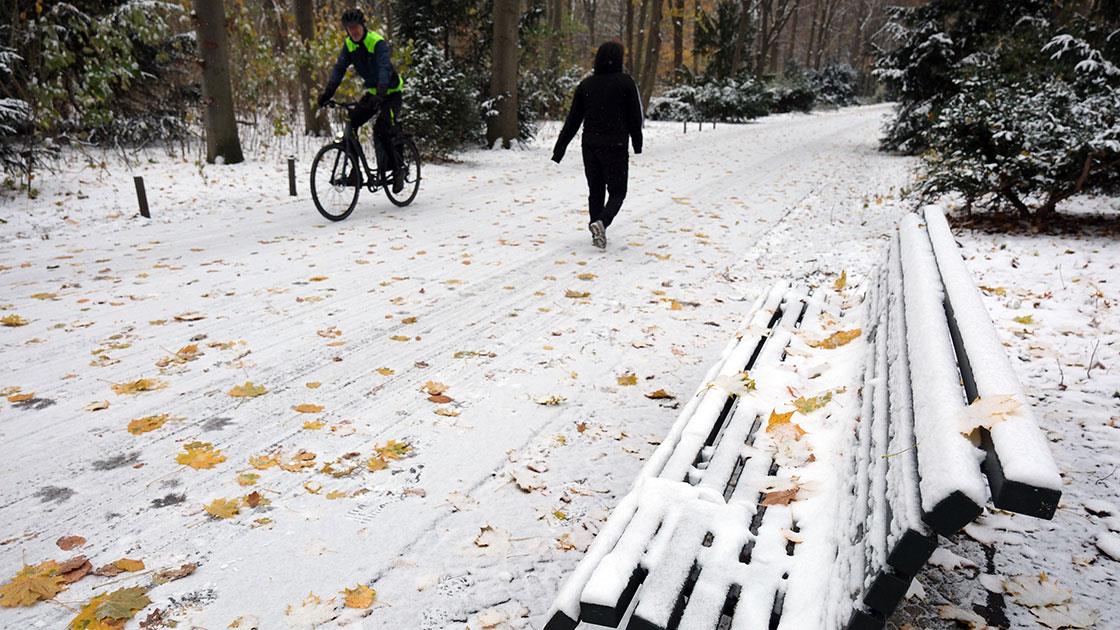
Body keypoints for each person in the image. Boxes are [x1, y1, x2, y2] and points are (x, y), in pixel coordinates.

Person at [551, 41, 643, 249]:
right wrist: (637, 143)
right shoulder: (626, 83)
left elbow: (573, 119)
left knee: (596, 190)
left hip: (590, 145)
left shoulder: (586, 85)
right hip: (616, 144)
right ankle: (602, 223)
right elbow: (634, 116)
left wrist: (560, 148)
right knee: (618, 191)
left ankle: (597, 231)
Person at [317, 8, 405, 193]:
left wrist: (381, 93)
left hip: (391, 93)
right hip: (374, 92)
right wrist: (327, 94)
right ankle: (356, 173)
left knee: (381, 128)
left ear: (362, 26)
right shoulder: (349, 45)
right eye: (350, 28)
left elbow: (383, 69)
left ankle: (397, 171)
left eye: (356, 27)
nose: (354, 31)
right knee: (352, 123)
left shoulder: (376, 42)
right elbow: (339, 70)